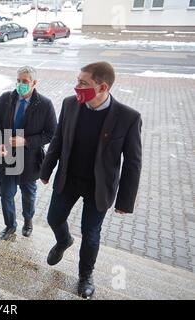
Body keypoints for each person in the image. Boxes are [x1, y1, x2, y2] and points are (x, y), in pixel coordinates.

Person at [40, 61, 142, 299]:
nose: (77, 87)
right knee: (53, 218)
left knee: (91, 233)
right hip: (69, 178)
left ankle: (85, 275)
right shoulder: (70, 104)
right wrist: (45, 171)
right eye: (77, 81)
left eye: (83, 83)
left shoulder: (128, 117)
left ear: (103, 87)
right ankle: (64, 241)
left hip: (99, 187)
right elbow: (58, 139)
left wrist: (125, 201)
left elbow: (133, 162)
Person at [0, 66, 57, 240]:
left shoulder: (45, 104)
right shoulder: (6, 98)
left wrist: (25, 141)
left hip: (29, 159)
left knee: (28, 194)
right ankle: (10, 225)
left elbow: (51, 133)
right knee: (6, 194)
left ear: (34, 83)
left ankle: (28, 220)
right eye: (18, 80)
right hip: (6, 157)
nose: (20, 84)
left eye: (24, 82)